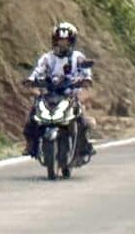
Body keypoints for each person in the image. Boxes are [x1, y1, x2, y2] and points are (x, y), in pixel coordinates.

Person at [24, 22, 95, 161]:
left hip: (70, 94)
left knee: (82, 119)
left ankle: (84, 146)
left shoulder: (77, 57)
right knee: (32, 118)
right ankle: (31, 145)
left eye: (66, 41)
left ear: (71, 42)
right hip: (50, 94)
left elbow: (85, 71)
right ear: (54, 41)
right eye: (60, 40)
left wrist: (86, 79)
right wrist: (31, 80)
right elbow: (38, 71)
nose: (62, 44)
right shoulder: (47, 58)